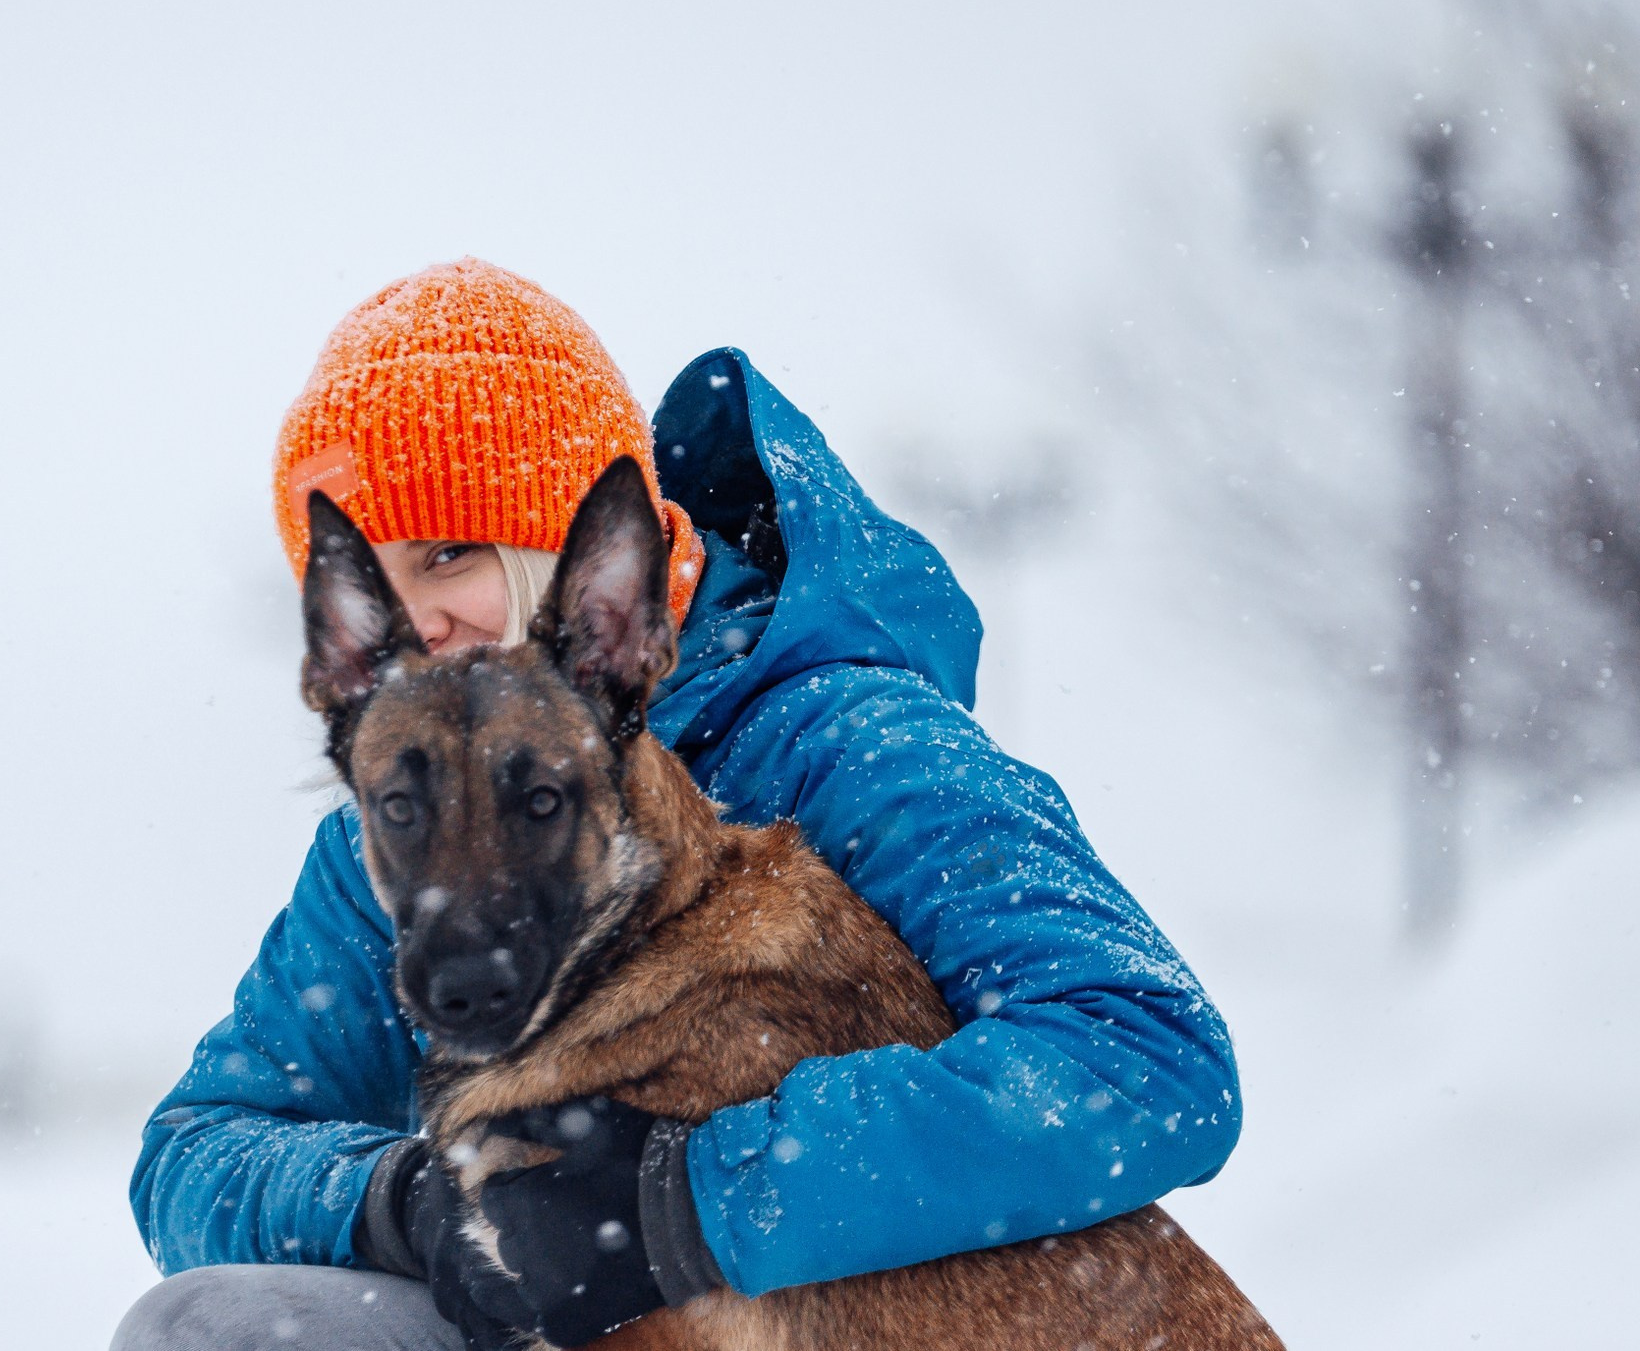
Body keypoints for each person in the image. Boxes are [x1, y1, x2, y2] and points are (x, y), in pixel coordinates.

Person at [111, 259, 1239, 1351]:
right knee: (212, 1330)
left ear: (585, 550)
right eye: (373, 580)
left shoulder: (841, 737)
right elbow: (198, 1149)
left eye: (448, 553)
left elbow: (1146, 1056)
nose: (423, 627)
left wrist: (683, 1203)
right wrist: (409, 1201)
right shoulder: (386, 833)